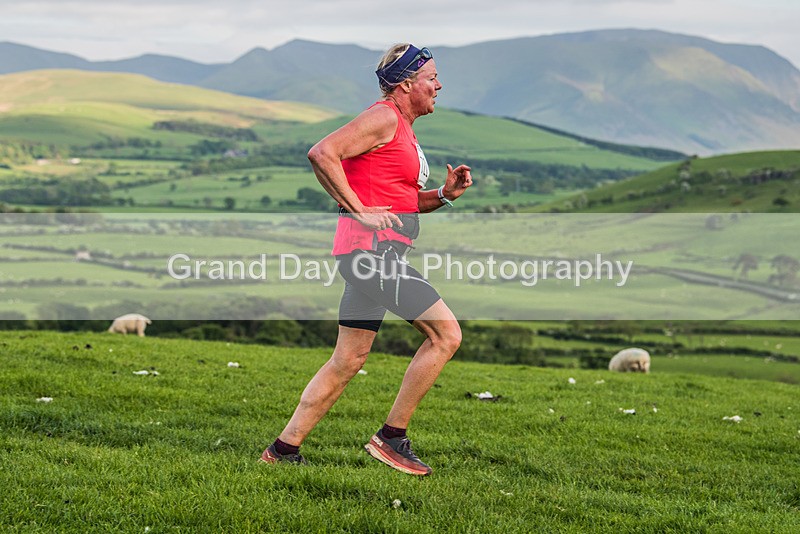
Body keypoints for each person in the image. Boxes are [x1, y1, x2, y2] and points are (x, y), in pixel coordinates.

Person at [260, 43, 472, 476]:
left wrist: (444, 197)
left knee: (348, 360)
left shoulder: (402, 127)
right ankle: (392, 438)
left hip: (367, 254)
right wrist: (356, 208)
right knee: (446, 336)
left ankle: (283, 450)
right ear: (407, 83)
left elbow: (401, 203)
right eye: (432, 77)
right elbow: (322, 152)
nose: (439, 84)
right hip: (372, 255)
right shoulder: (384, 116)